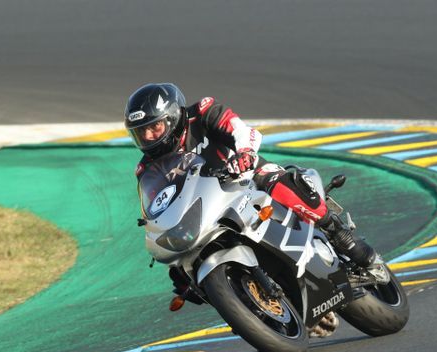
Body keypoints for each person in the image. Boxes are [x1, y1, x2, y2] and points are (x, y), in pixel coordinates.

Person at [125, 83, 386, 334]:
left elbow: (240, 130)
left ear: (172, 117)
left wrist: (245, 153)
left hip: (245, 178)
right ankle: (256, 316)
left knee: (277, 182)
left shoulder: (202, 113)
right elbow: (157, 205)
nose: (148, 137)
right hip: (210, 208)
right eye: (140, 132)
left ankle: (342, 237)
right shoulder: (147, 168)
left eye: (154, 127)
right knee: (182, 273)